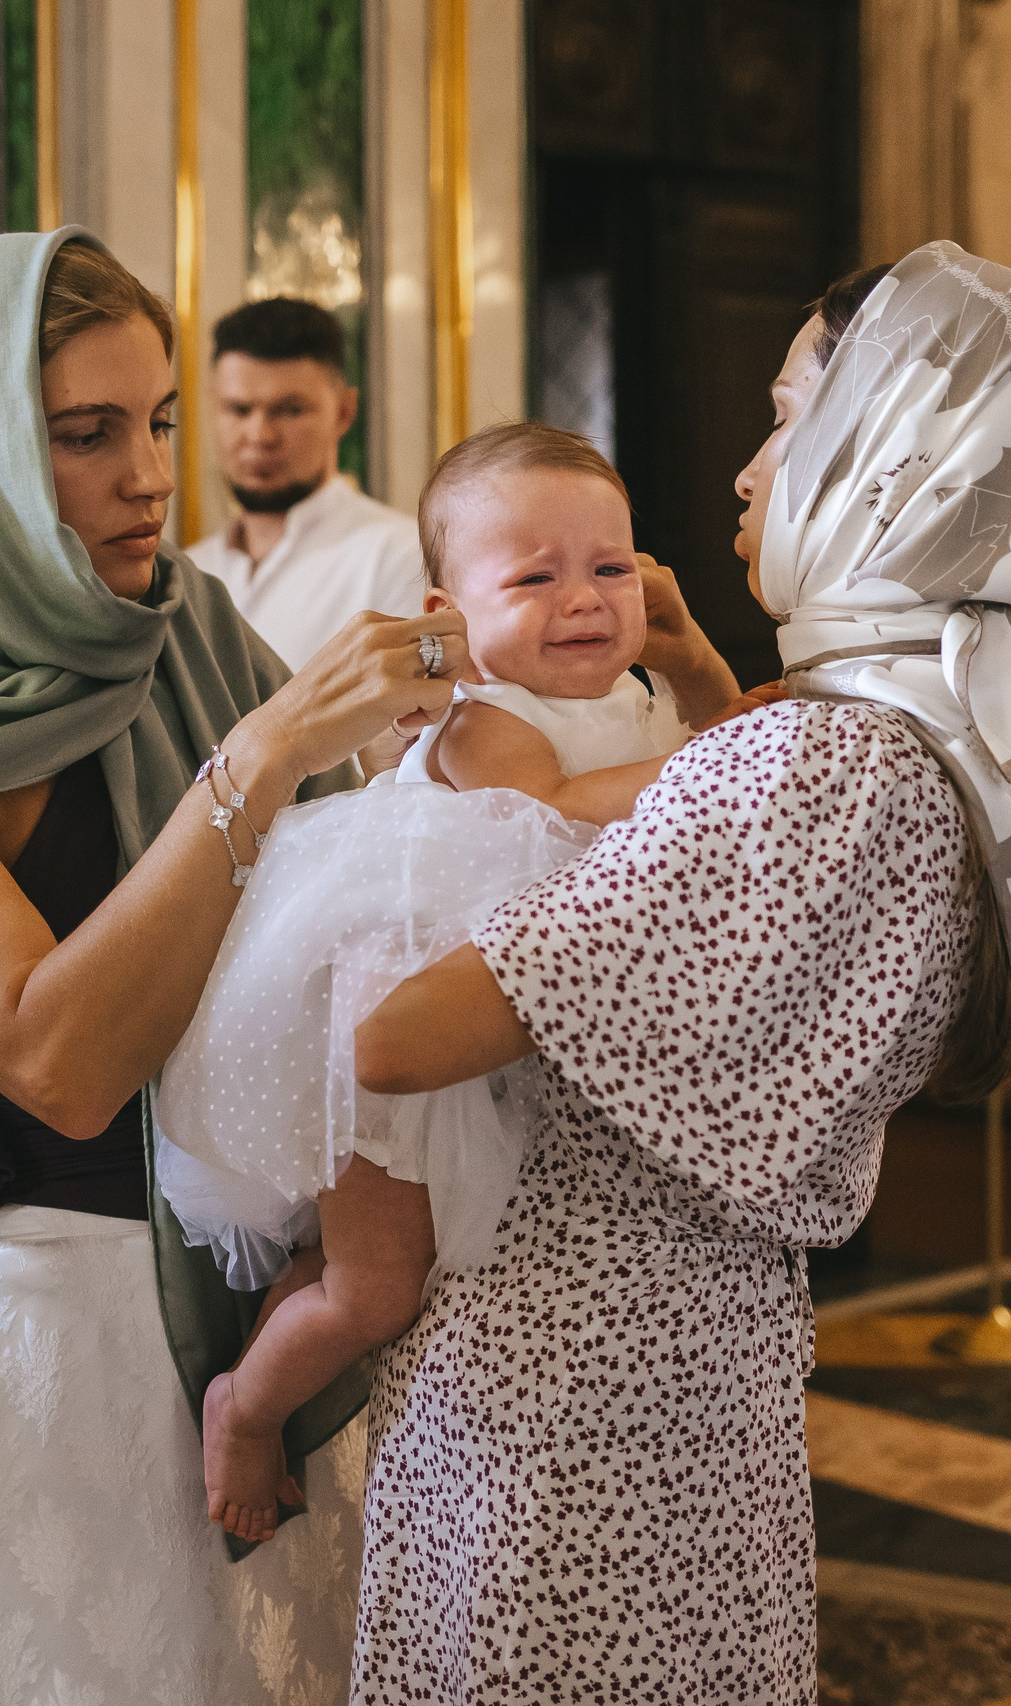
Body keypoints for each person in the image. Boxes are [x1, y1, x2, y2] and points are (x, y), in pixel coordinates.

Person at [342, 244, 1011, 1703]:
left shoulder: (812, 760)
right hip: (705, 1366)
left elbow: (399, 1038)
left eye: (787, 419)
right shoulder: (942, 734)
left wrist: (371, 841)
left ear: (891, 454)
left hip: (560, 1385)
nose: (746, 468)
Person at [0, 229, 569, 1702]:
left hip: (278, 1290)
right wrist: (266, 750)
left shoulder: (182, 622)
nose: (151, 476)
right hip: (81, 1316)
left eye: (157, 421)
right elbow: (62, 1062)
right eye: (85, 433)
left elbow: (353, 885)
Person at [156, 423, 705, 1540]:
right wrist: (710, 763)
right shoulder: (490, 717)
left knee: (356, 1258)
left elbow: (728, 736)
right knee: (375, 1289)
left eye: (610, 567)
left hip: (485, 1031)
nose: (583, 599)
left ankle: (275, 1348)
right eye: (534, 578)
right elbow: (554, 806)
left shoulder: (637, 693)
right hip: (379, 1038)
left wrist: (696, 665)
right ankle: (244, 1408)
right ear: (448, 616)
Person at [187, 296, 424, 669]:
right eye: (239, 410)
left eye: (290, 410)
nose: (259, 435)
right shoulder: (189, 571)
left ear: (344, 412)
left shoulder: (401, 558)